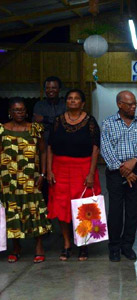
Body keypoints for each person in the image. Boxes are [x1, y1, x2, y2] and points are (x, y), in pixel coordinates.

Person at [47, 89, 101, 261]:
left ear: (83, 103)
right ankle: (66, 243)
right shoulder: (57, 121)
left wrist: (91, 172)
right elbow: (49, 147)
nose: (73, 101)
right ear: (66, 102)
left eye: (77, 98)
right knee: (61, 206)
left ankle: (83, 243)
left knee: (83, 207)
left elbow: (95, 148)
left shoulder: (90, 121)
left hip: (83, 167)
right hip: (60, 168)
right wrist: (48, 170)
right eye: (69, 98)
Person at [101, 90, 137, 262]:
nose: (134, 107)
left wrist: (134, 162)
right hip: (115, 174)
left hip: (136, 171)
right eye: (130, 104)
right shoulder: (108, 123)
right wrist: (123, 169)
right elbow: (106, 149)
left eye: (135, 103)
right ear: (119, 105)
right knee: (115, 211)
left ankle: (127, 246)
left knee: (132, 211)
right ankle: (114, 247)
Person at [0, 98, 52, 263]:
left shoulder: (35, 128)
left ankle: (38, 245)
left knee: (34, 210)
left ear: (26, 111)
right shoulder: (2, 130)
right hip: (9, 179)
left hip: (31, 177)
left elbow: (43, 152)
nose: (19, 113)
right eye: (16, 110)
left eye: (22, 110)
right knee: (13, 210)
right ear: (10, 112)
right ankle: (16, 246)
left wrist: (43, 174)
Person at [33, 76, 66, 204]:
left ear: (59, 89)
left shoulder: (65, 105)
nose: (50, 90)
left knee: (59, 183)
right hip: (42, 150)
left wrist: (45, 119)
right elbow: (37, 125)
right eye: (47, 88)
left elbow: (65, 123)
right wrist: (54, 121)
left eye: (54, 87)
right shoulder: (39, 105)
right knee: (44, 181)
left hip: (61, 150)